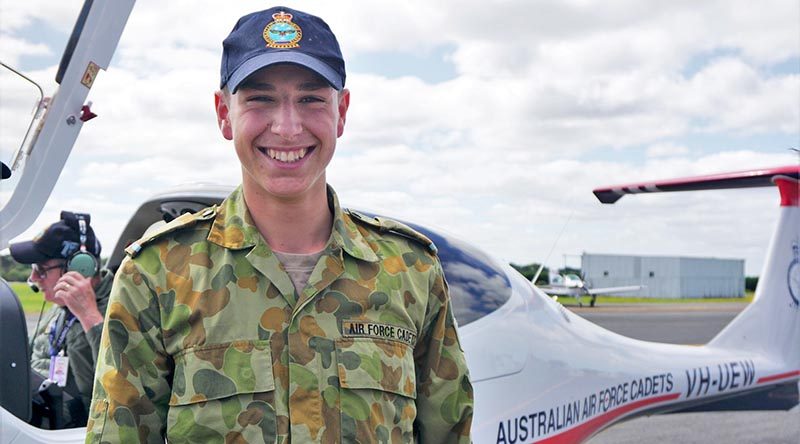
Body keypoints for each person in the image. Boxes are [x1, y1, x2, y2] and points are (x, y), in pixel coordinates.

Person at [86, 6, 473, 443]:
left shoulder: (411, 271)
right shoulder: (156, 274)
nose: (288, 128)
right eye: (260, 98)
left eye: (311, 99)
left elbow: (449, 434)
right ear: (223, 113)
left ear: (341, 112)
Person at [9, 211, 112, 427]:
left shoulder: (119, 307)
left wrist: (89, 316)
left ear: (78, 268)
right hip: (39, 413)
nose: (34, 279)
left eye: (41, 269)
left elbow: (122, 383)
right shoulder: (60, 308)